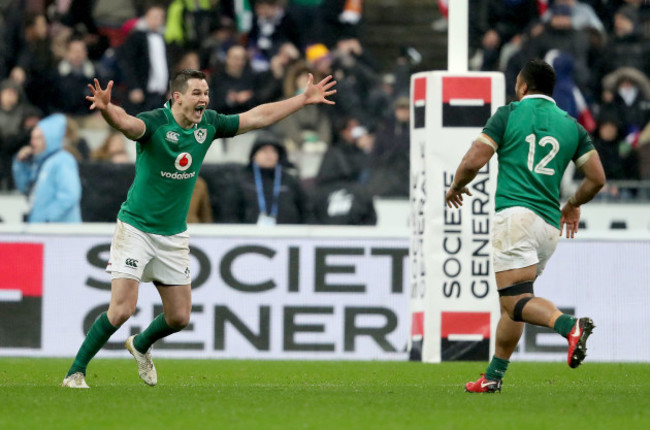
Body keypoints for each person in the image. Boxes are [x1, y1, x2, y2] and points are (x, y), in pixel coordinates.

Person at [61, 68, 336, 388]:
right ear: (177, 97)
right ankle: (76, 372)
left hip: (173, 233)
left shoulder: (208, 124)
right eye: (197, 93)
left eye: (206, 93)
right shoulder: (155, 123)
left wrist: (302, 99)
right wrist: (108, 109)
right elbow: (127, 123)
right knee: (122, 309)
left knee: (179, 317)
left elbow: (257, 117)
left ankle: (140, 344)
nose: (204, 98)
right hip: (136, 226)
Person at [444, 59, 605, 393]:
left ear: (522, 87)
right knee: (516, 302)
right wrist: (572, 204)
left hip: (515, 217)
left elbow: (474, 159)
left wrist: (457, 185)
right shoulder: (571, 126)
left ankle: (569, 326)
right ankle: (493, 376)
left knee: (512, 302)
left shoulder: (509, 113)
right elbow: (597, 179)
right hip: (548, 226)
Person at [12, 113, 82, 223]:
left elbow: (69, 196)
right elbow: (24, 188)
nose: (32, 143)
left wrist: (47, 218)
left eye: (38, 138)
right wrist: (20, 164)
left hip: (60, 232)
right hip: (43, 230)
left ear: (51, 139)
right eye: (32, 138)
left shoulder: (63, 160)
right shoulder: (40, 162)